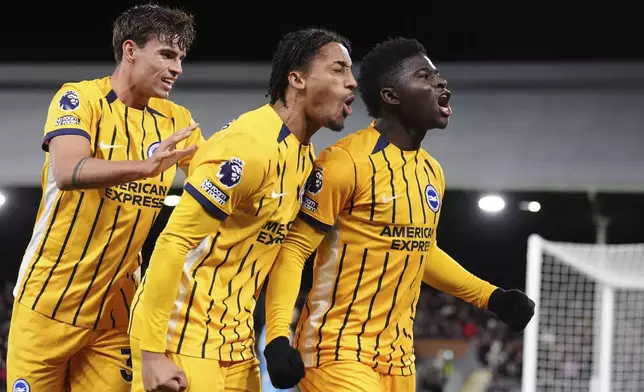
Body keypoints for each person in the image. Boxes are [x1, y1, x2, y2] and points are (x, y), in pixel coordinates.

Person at [262, 37, 535, 391]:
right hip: (337, 351)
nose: (440, 82)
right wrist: (277, 336)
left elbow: (422, 251)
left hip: (399, 360)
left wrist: (491, 297)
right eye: (424, 76)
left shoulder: (431, 171)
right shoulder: (345, 162)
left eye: (438, 75)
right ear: (391, 96)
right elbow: (294, 250)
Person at [127, 27, 357, 392]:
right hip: (182, 342)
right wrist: (152, 353)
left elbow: (286, 254)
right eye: (338, 69)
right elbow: (172, 243)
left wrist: (276, 336)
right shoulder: (248, 146)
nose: (352, 83)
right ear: (296, 79)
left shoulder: (304, 157)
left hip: (237, 346)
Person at [7, 4, 202, 392]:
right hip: (45, 305)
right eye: (166, 54)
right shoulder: (78, 99)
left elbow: (213, 184)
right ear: (130, 50)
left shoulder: (177, 119)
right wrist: (144, 168)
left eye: (180, 57)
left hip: (116, 317)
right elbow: (68, 171)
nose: (177, 68)